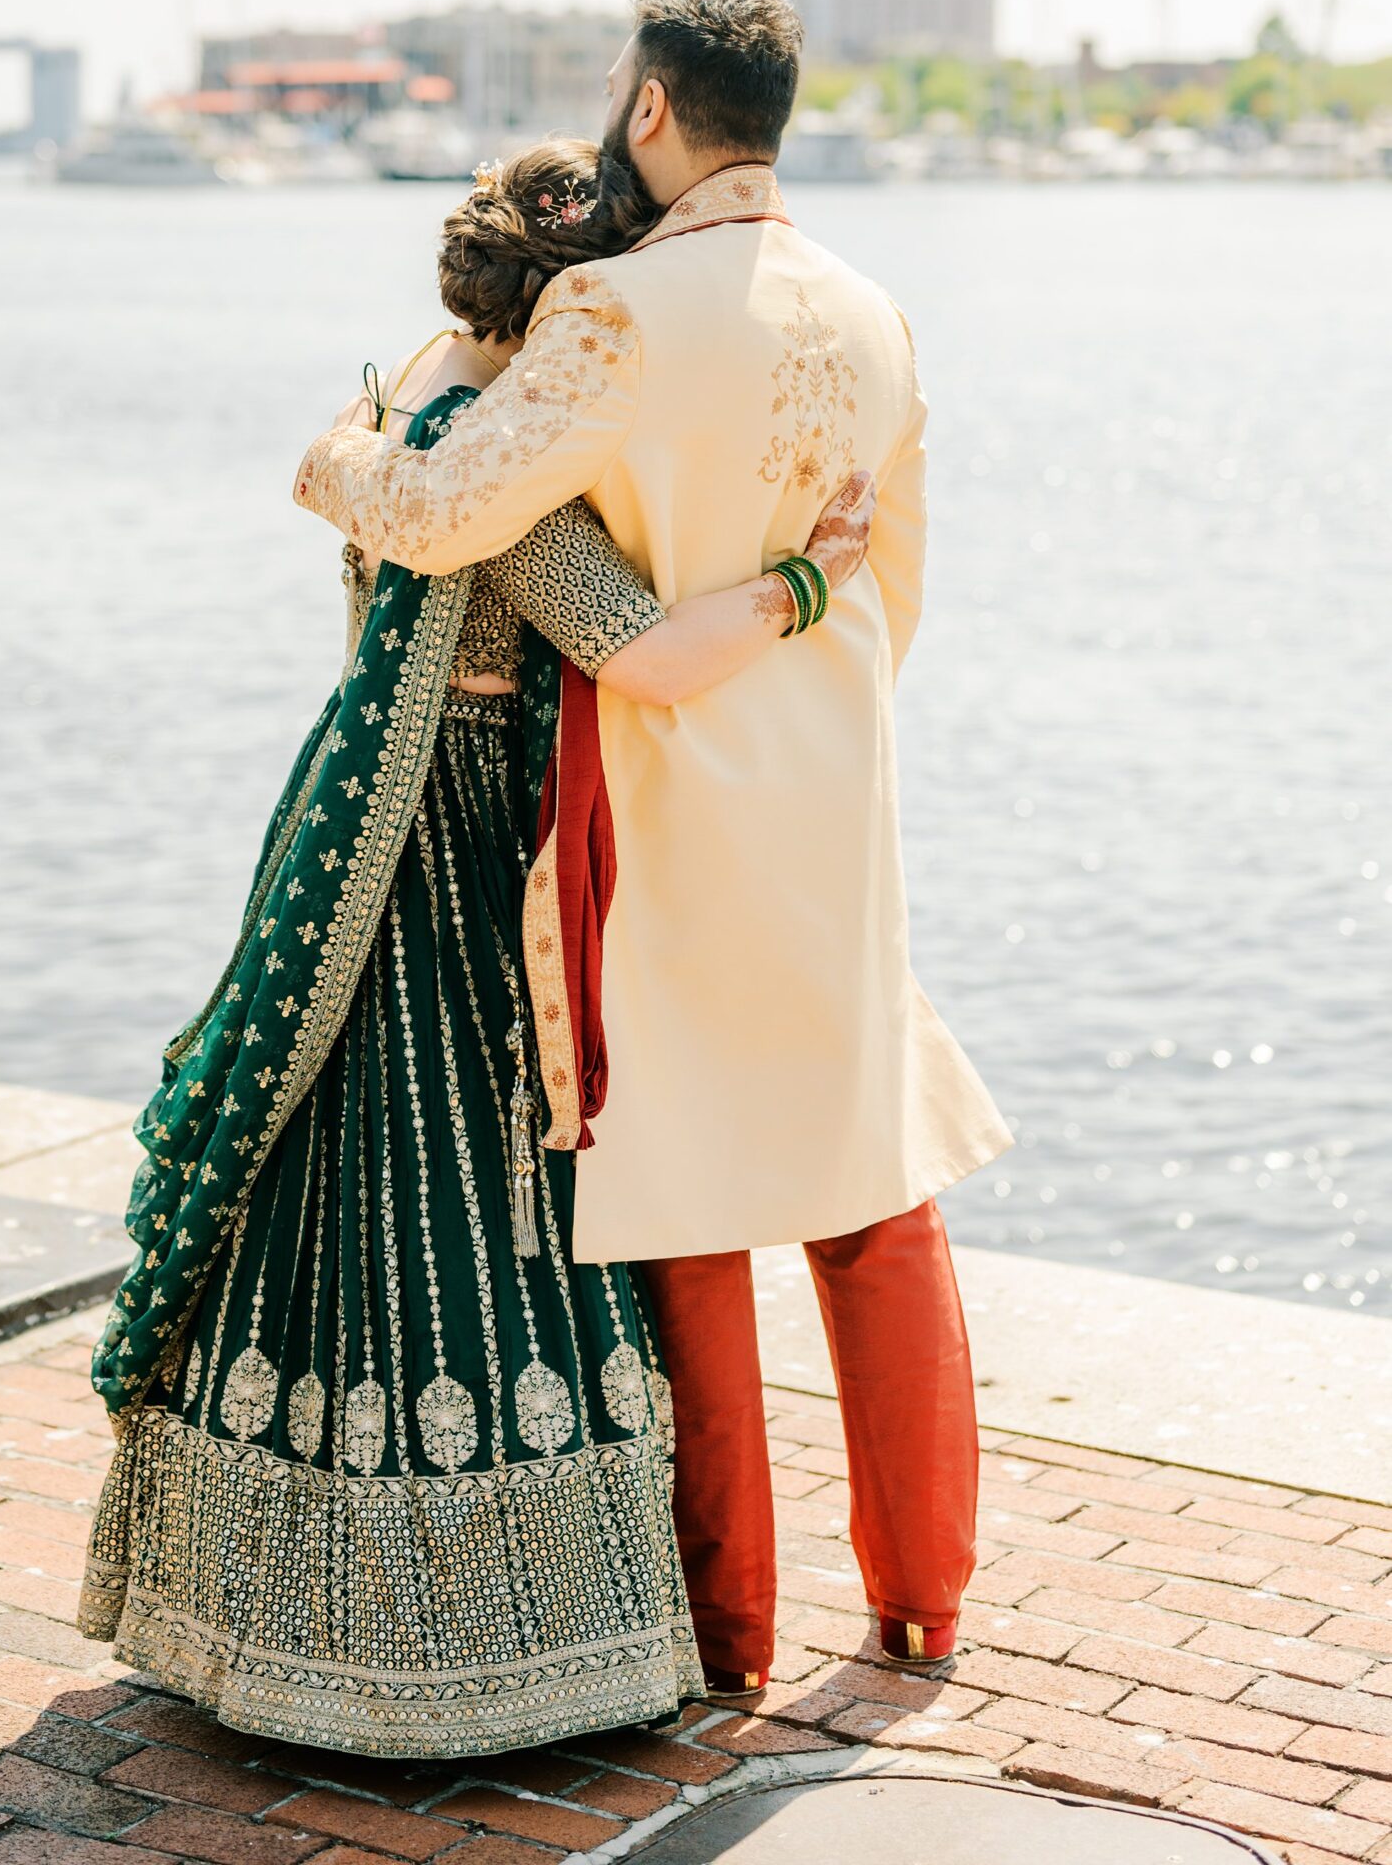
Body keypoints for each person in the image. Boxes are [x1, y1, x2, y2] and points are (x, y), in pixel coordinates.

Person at [79, 135, 877, 1759]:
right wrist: (808, 579)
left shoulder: (394, 412)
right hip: (453, 854)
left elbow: (349, 472)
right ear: (570, 308)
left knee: (314, 1162)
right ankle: (475, 1651)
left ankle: (238, 1614)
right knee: (454, 1177)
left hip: (340, 817)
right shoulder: (510, 489)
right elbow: (648, 659)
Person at [293, 0, 1012, 1696]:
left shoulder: (611, 315)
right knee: (870, 1196)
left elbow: (447, 508)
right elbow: (896, 595)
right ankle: (923, 1605)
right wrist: (807, 681)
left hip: (666, 800)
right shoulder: (874, 314)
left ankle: (731, 1642)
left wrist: (333, 460)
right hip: (834, 802)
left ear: (650, 112)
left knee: (688, 1209)